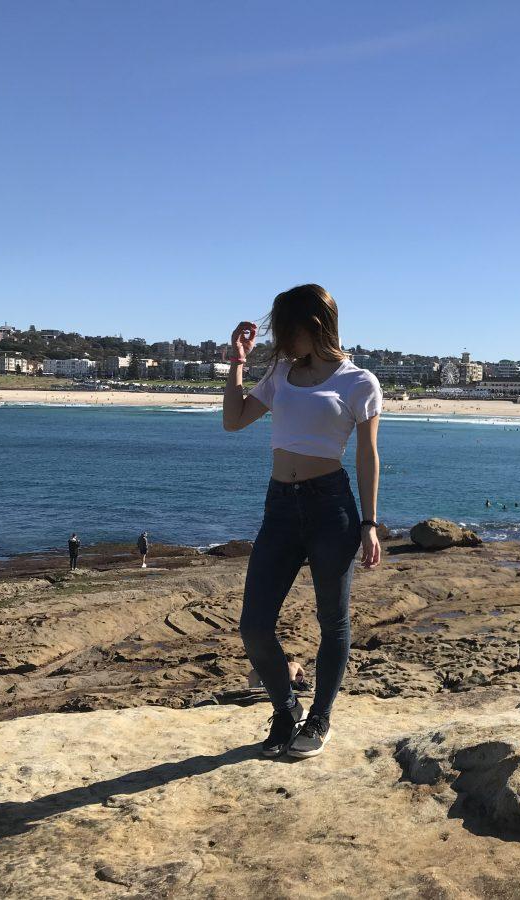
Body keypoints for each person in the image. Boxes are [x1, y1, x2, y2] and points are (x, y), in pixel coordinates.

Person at [223, 284, 383, 759]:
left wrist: (370, 523)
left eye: (286, 330)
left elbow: (367, 456)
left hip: (331, 507)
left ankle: (320, 717)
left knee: (332, 620)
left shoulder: (359, 382)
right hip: (280, 507)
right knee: (254, 626)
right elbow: (234, 420)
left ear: (313, 326)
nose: (280, 340)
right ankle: (286, 707)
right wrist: (237, 363)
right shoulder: (280, 374)